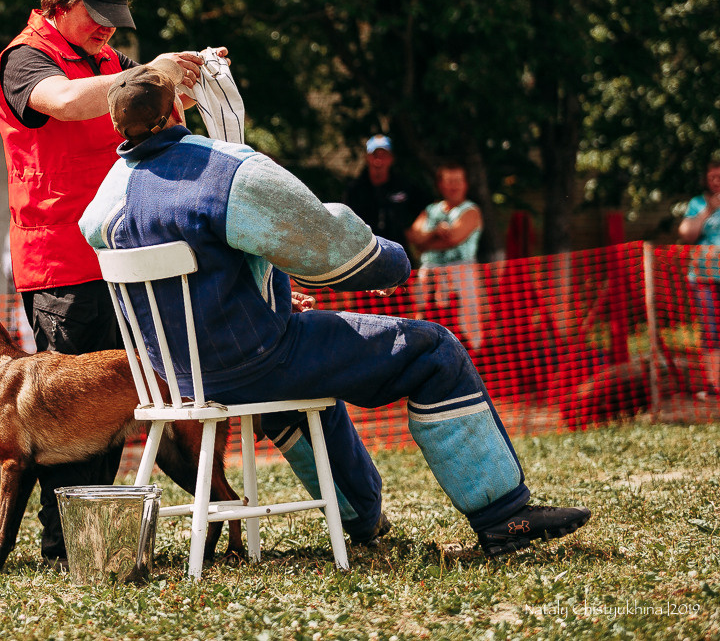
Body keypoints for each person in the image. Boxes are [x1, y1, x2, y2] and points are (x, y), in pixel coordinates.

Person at [79, 67, 591, 559]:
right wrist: (392, 263)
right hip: (262, 362)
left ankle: (361, 516)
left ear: (116, 125)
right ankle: (502, 514)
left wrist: (270, 289)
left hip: (183, 380)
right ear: (175, 111)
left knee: (294, 399)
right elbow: (328, 246)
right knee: (435, 350)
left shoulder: (102, 204)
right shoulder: (222, 171)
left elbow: (192, 287)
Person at [0, 0, 206, 568]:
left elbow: (143, 119)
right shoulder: (24, 59)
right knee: (72, 418)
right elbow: (62, 101)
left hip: (121, 258)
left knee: (122, 407)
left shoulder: (108, 60)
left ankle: (93, 544)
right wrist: (146, 75)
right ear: (60, 1)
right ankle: (68, 549)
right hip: (62, 267)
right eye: (99, 13)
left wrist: (182, 83)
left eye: (117, 15)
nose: (110, 27)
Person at [407, 162, 485, 350]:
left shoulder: (471, 210)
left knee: (466, 325)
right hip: (429, 278)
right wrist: (435, 233)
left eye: (458, 181)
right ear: (440, 184)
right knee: (425, 320)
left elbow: (454, 238)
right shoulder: (432, 209)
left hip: (461, 277)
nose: (454, 186)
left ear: (466, 184)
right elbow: (413, 235)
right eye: (449, 181)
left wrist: (425, 243)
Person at [344, 135, 423, 263]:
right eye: (375, 155)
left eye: (383, 155)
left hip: (400, 254)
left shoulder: (404, 185)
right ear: (367, 158)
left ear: (391, 158)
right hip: (365, 256)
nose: (379, 161)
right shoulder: (354, 189)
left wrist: (415, 231)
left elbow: (423, 210)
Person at [677, 160, 720, 398]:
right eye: (712, 177)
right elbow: (686, 233)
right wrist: (708, 211)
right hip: (705, 276)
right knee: (711, 332)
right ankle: (716, 385)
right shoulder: (697, 204)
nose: (716, 181)